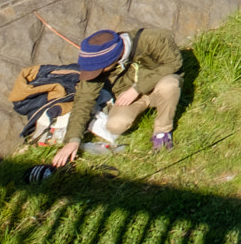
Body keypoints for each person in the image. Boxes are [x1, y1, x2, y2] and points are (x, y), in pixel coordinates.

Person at [51, 26, 183, 166]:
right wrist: (73, 140)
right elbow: (83, 100)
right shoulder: (98, 65)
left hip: (160, 86)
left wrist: (137, 89)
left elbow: (174, 63)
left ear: (115, 57)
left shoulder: (151, 38)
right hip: (130, 98)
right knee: (115, 126)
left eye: (99, 70)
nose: (96, 74)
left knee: (169, 85)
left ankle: (162, 132)